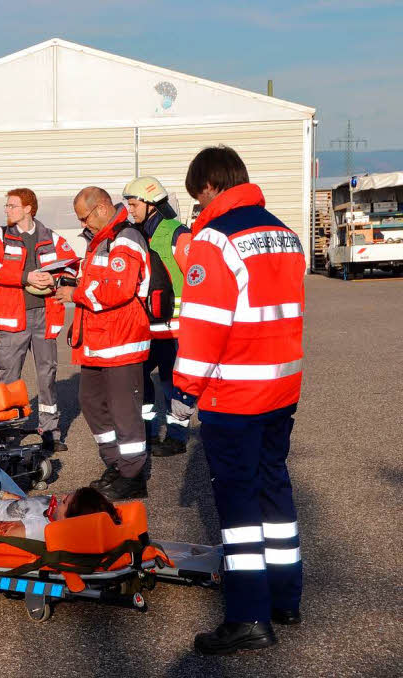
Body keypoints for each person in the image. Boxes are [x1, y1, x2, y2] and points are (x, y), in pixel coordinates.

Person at [169, 146, 305, 655]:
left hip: (236, 394)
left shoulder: (215, 238)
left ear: (207, 186)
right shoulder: (284, 234)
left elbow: (204, 329)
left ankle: (248, 617)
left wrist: (183, 396)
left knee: (239, 506)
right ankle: (284, 598)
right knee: (275, 491)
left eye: (196, 196)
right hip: (282, 386)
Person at [56, 187, 150, 501]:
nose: (84, 224)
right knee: (92, 403)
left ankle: (132, 474)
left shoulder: (125, 239)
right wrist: (65, 282)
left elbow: (117, 290)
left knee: (125, 412)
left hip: (121, 340)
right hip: (97, 341)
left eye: (85, 218)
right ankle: (116, 464)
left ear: (101, 207)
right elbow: (96, 282)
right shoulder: (101, 242)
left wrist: (76, 294)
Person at [0, 188, 80, 455]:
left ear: (28, 208)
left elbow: (72, 265)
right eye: (7, 206)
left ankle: (50, 432)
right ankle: (5, 434)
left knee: (47, 377)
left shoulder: (52, 237)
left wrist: (56, 279)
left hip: (45, 317)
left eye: (12, 205)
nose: (7, 210)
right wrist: (26, 277)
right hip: (12, 319)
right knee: (9, 379)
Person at [122, 177, 193, 457]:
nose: (130, 209)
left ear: (151, 203)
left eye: (134, 203)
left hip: (174, 329)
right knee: (140, 383)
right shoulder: (134, 234)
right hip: (143, 327)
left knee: (173, 385)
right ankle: (147, 432)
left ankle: (176, 437)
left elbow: (195, 279)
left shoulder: (178, 233)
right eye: (128, 203)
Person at [0, 485, 120, 541]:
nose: (60, 497)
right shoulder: (53, 509)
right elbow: (20, 505)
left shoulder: (39, 528)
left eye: (64, 502)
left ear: (69, 520)